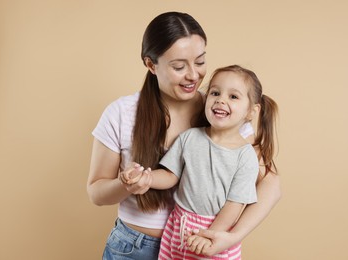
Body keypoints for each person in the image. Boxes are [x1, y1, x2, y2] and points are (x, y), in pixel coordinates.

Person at [87, 11, 281, 260]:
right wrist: (128, 184)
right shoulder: (121, 113)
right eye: (179, 66)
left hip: (200, 245)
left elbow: (270, 184)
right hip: (133, 248)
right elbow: (96, 193)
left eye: (200, 62)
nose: (193, 75)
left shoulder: (223, 113)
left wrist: (230, 236)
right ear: (151, 64)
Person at [125, 64, 276, 259]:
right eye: (215, 93)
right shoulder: (189, 138)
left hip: (214, 234)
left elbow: (235, 205)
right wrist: (145, 177)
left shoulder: (245, 156)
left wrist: (210, 235)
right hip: (178, 228)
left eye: (233, 96)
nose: (220, 100)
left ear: (251, 111)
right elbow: (171, 175)